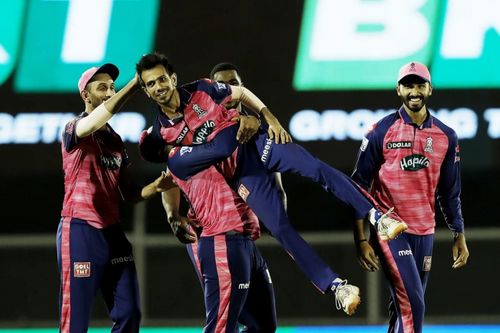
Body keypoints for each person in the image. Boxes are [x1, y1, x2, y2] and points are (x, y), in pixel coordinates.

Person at [136, 53, 407, 315]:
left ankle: (377, 216)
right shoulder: (169, 146)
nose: (158, 87)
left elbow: (240, 94)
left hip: (259, 143)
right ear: (146, 92)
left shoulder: (202, 89)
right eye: (150, 84)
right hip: (242, 171)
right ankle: (337, 287)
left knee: (316, 168)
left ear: (172, 78)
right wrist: (169, 209)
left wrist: (268, 117)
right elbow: (193, 165)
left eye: (161, 80)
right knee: (279, 227)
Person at [351, 61, 470, 333]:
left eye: (419, 85)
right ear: (398, 90)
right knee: (413, 306)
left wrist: (458, 233)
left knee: (403, 308)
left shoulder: (446, 136)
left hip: (424, 232)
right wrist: (360, 239)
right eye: (408, 85)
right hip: (389, 231)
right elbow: (357, 186)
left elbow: (450, 192)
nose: (414, 91)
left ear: (430, 89)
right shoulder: (381, 131)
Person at [57, 63, 171, 333]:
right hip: (81, 231)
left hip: (112, 234)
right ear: (86, 95)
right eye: (102, 87)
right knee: (75, 321)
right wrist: (135, 84)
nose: (109, 92)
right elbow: (99, 117)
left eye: (112, 87)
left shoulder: (115, 141)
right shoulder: (74, 129)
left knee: (130, 314)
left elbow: (130, 194)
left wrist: (158, 185)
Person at [162, 159, 277, 332]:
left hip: (244, 238)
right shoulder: (189, 140)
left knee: (262, 325)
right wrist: (172, 214)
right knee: (222, 327)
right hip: (214, 238)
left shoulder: (235, 136)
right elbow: (169, 176)